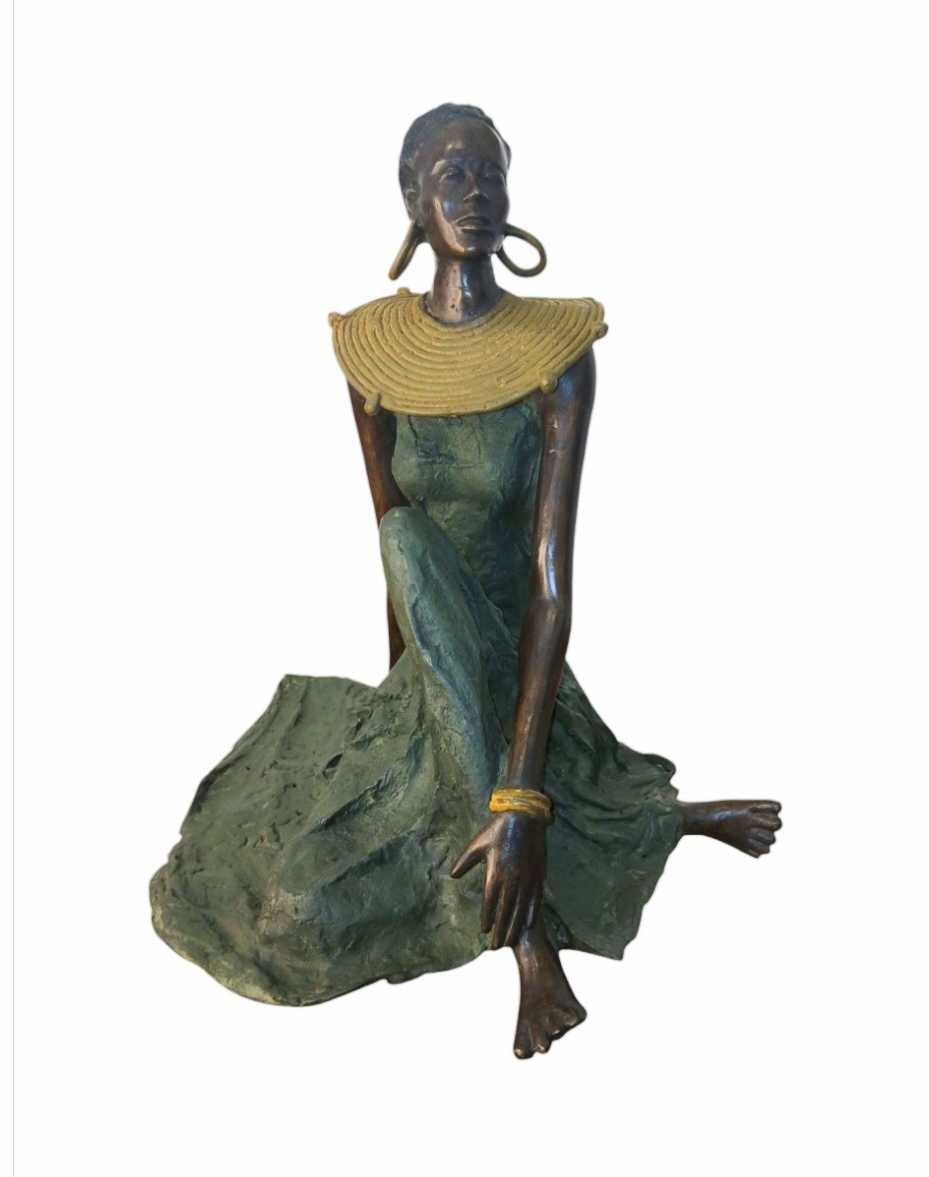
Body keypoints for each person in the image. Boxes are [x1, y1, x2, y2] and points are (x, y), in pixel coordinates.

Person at [151, 103, 782, 1059]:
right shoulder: (370, 353)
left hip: (515, 656)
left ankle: (545, 931)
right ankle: (632, 854)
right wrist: (402, 712)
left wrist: (515, 792)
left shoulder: (555, 355)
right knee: (295, 902)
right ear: (412, 197)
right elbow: (387, 543)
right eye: (453, 176)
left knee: (413, 558)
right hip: (433, 661)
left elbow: (549, 585)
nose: (477, 194)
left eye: (491, 174)